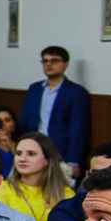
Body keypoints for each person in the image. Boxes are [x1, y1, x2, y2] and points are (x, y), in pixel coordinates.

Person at [18, 45, 91, 177]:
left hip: (61, 153)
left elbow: (78, 129)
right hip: (34, 149)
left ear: (66, 64)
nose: (49, 64)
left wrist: (74, 160)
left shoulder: (76, 92)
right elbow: (25, 121)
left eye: (55, 60)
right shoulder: (35, 89)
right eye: (45, 61)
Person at [0, 132, 74, 221]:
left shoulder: (66, 193)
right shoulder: (1, 189)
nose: (22, 159)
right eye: (18, 153)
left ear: (47, 160)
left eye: (31, 154)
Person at [0, 105, 20, 176]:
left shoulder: (21, 144)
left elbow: (22, 159)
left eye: (7, 120)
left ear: (14, 124)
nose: (3, 124)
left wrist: (9, 142)